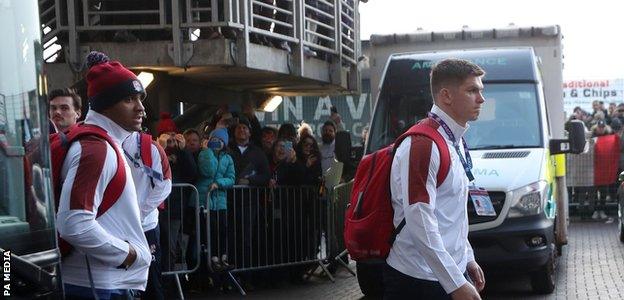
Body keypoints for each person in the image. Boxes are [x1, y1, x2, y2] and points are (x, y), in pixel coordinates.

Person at [384, 58, 486, 300]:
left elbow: (451, 213)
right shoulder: (423, 144)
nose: (481, 98)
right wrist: (455, 283)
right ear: (446, 96)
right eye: (472, 90)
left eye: (480, 90)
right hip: (418, 280)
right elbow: (420, 219)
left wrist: (467, 258)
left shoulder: (454, 139)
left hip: (442, 273)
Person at [56, 51, 151, 299]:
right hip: (97, 285)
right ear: (106, 105)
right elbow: (74, 223)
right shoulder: (97, 149)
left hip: (100, 281)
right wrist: (129, 255)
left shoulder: (104, 144)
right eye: (129, 99)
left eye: (140, 98)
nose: (141, 108)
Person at [122, 130, 172, 300]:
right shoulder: (102, 142)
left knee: (151, 281)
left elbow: (165, 184)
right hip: (114, 228)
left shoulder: (149, 147)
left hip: (146, 226)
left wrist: (139, 214)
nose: (139, 109)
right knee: (119, 285)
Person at [195, 128, 235, 271]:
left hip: (220, 201)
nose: (217, 143)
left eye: (220, 141)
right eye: (214, 140)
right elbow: (208, 171)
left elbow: (231, 178)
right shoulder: (204, 153)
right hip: (205, 200)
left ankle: (223, 257)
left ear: (225, 143)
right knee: (209, 230)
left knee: (222, 229)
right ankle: (213, 258)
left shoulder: (228, 158)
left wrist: (219, 184)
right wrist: (207, 152)